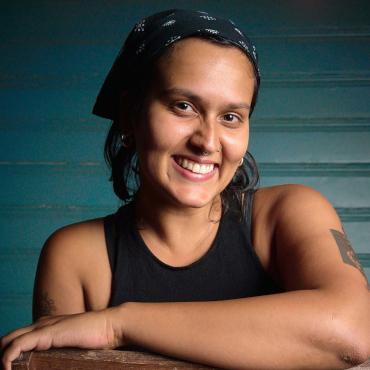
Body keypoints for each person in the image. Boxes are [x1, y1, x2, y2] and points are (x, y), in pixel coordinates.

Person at [1, 8, 369, 370]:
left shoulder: (286, 215)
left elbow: (354, 332)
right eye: (183, 106)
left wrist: (118, 324)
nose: (208, 141)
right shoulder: (77, 257)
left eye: (230, 117)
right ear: (131, 115)